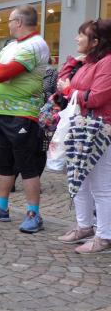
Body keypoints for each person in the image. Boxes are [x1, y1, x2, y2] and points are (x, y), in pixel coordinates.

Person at [0, 5, 49, 233]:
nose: (7, 24)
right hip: (2, 113)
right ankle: (1, 207)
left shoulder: (35, 44)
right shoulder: (11, 46)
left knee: (27, 165)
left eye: (9, 20)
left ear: (19, 22)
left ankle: (33, 214)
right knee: (4, 163)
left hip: (23, 114)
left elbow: (1, 73)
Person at [56, 19, 111, 253]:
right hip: (81, 127)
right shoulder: (89, 62)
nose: (77, 38)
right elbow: (62, 84)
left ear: (96, 41)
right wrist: (72, 63)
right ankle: (84, 226)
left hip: (100, 129)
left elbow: (96, 97)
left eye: (81, 35)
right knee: (79, 180)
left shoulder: (107, 63)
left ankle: (105, 236)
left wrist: (70, 91)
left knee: (101, 185)